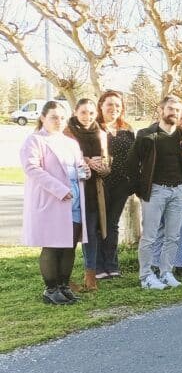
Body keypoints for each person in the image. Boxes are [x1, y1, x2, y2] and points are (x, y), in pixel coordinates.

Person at [21, 101, 90, 304]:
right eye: (53, 117)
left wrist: (85, 171)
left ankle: (64, 286)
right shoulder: (35, 140)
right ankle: (51, 289)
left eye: (62, 117)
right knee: (52, 246)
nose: (58, 121)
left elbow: (77, 167)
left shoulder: (71, 143)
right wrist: (59, 189)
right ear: (43, 118)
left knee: (69, 246)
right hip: (52, 202)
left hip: (74, 203)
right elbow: (32, 168)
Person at [127, 95, 182, 290]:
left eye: (177, 110)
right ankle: (146, 276)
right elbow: (131, 164)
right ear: (161, 110)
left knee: (173, 236)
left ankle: (166, 273)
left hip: (178, 191)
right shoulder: (146, 135)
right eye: (170, 108)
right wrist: (141, 189)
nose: (174, 113)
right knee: (150, 237)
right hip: (155, 191)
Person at [63, 98, 111, 292]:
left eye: (91, 113)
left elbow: (107, 165)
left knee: (91, 234)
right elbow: (62, 161)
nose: (87, 116)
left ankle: (90, 276)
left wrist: (102, 168)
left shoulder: (101, 134)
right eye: (83, 112)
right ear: (75, 112)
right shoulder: (67, 133)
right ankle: (63, 277)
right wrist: (86, 161)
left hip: (93, 192)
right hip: (73, 191)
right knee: (70, 236)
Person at [151, 104, 182, 279]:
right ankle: (155, 265)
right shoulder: (163, 137)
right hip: (163, 188)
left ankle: (180, 264)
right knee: (161, 228)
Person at [96, 90, 135, 279]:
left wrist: (133, 181)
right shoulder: (94, 127)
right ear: (101, 105)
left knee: (112, 224)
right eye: (110, 104)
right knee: (99, 224)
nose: (114, 108)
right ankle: (98, 267)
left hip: (121, 183)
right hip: (99, 183)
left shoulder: (127, 129)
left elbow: (134, 155)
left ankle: (112, 265)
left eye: (118, 105)